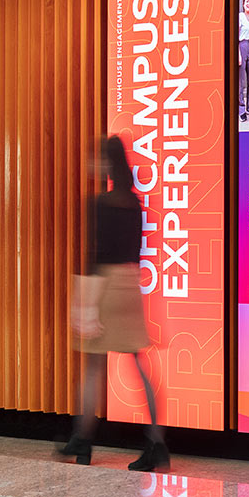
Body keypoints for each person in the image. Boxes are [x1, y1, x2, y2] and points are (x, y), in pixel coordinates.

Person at [60, 137, 168, 471]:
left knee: (93, 367)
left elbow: (97, 255)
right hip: (130, 285)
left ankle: (83, 441)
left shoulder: (99, 203)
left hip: (104, 286)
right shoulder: (134, 203)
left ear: (106, 164)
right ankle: (157, 443)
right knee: (138, 363)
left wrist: (86, 305)